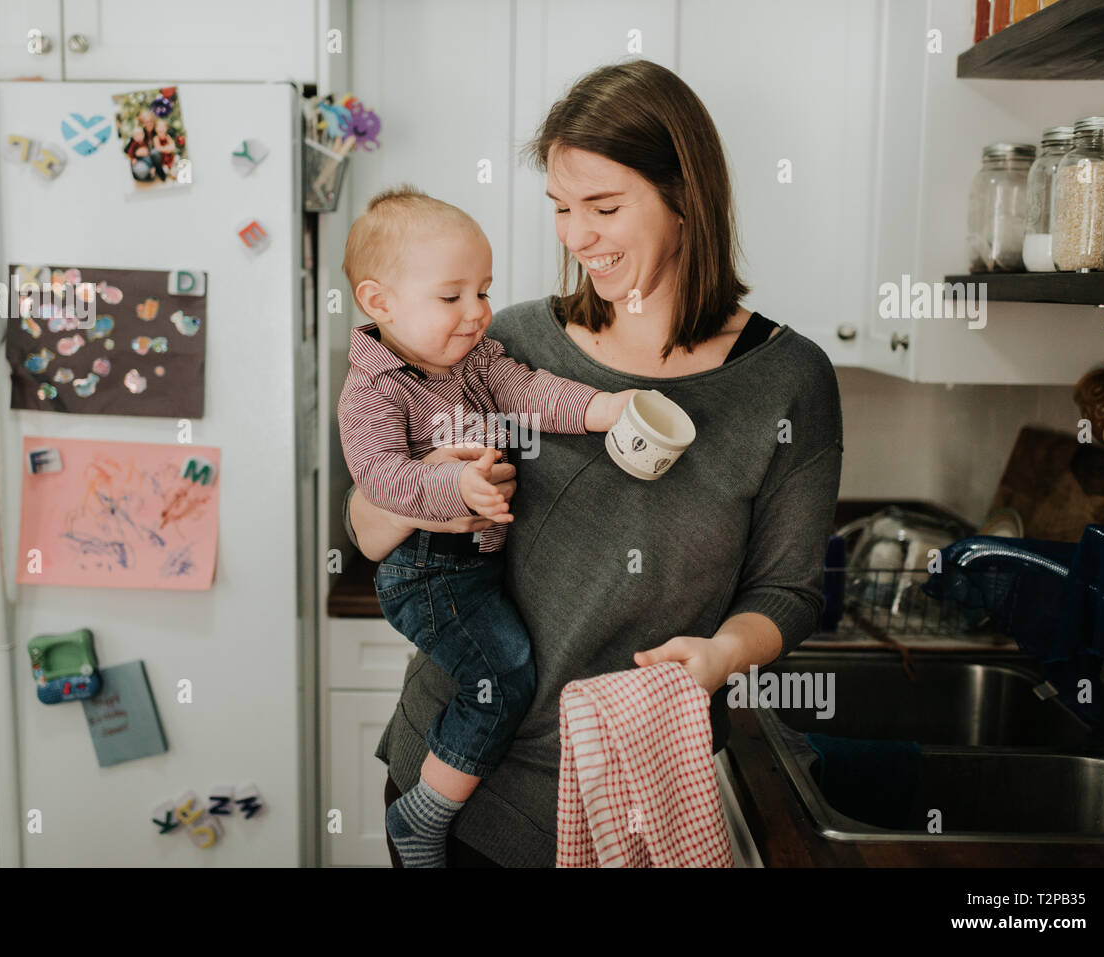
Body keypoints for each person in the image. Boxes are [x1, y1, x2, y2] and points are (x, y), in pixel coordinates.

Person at [345, 59, 844, 868]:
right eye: (561, 208)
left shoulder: (789, 380)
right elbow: (366, 526)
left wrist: (721, 656)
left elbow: (786, 593)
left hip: (629, 795)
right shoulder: (505, 340)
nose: (577, 237)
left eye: (604, 207)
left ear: (685, 198)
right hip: (454, 782)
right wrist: (437, 487)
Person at [337, 185, 636, 867]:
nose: (477, 312)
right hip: (427, 571)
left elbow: (532, 393)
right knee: (502, 678)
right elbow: (381, 478)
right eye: (452, 296)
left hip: (475, 564)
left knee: (501, 670)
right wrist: (455, 485)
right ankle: (424, 813)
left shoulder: (474, 360)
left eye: (484, 289)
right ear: (379, 303)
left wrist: (606, 409)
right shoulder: (375, 389)